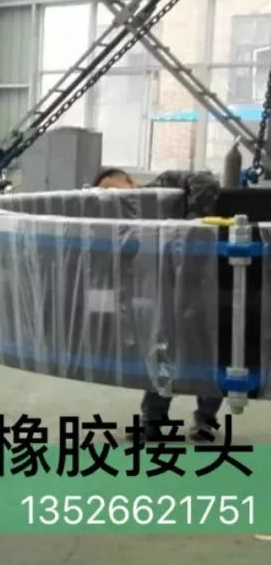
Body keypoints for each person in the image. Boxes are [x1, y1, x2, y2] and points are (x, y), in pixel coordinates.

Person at [91, 165, 223, 441]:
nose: (114, 197)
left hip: (210, 280)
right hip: (168, 290)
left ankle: (205, 420)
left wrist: (191, 230)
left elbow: (204, 180)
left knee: (212, 350)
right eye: (106, 195)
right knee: (163, 350)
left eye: (113, 189)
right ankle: (152, 420)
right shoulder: (128, 219)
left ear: (129, 181)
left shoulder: (163, 187)